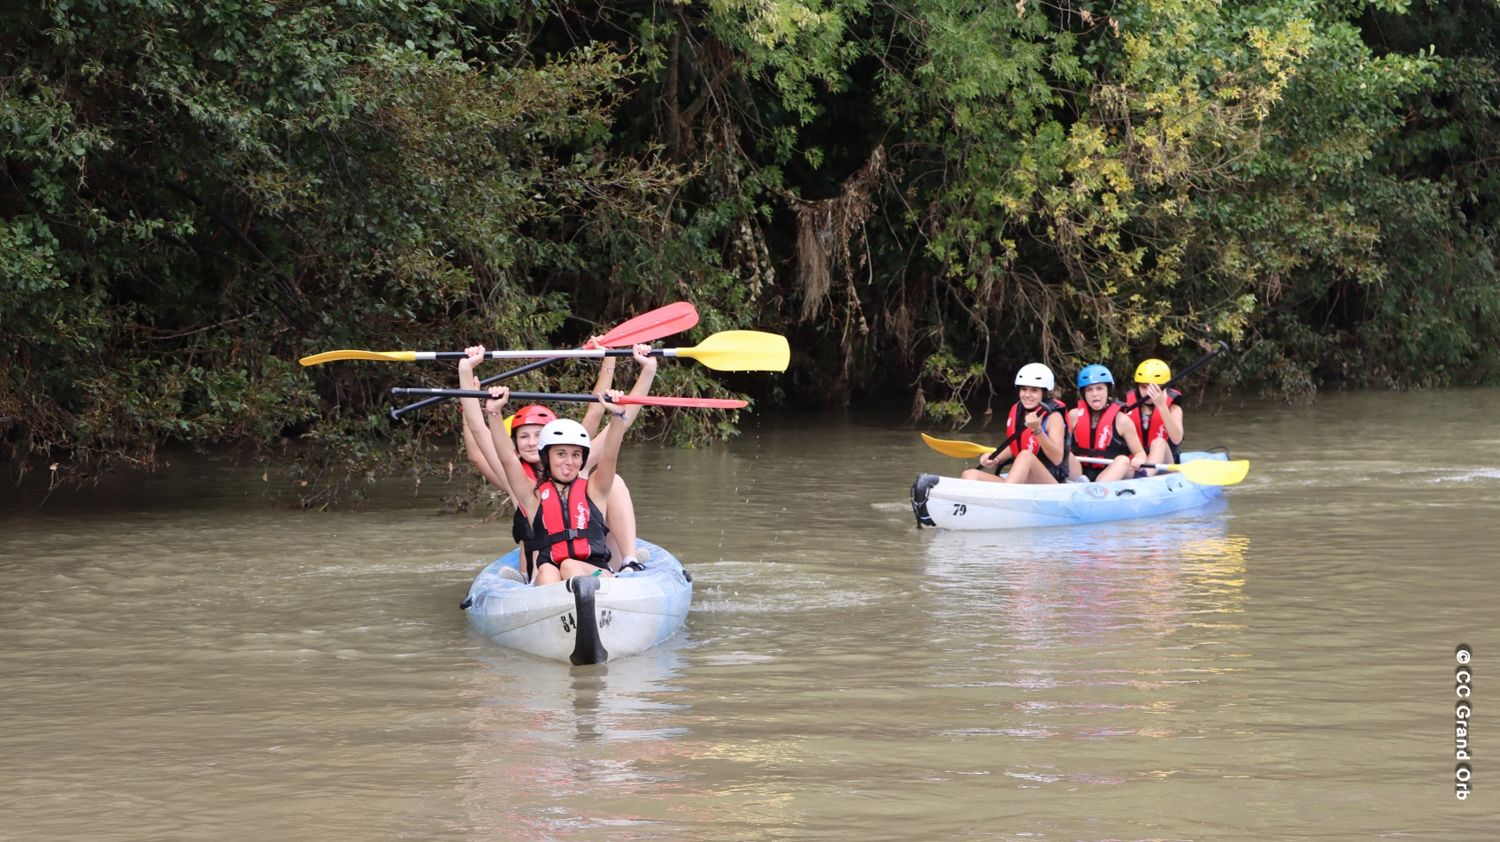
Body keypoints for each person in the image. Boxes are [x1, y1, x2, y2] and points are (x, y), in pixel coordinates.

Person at [458, 341, 655, 580]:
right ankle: (532, 586)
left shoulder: (590, 482)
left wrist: (627, 388)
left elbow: (611, 441)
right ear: (547, 454)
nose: (569, 461)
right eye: (560, 454)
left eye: (573, 455)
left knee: (571, 565)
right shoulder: (528, 491)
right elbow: (499, 450)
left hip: (590, 569)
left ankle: (629, 560)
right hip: (545, 569)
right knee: (551, 569)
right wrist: (482, 395)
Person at [960, 363, 1069, 485]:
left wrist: (1037, 430)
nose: (1027, 395)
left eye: (1034, 390)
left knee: (1025, 456)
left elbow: (1057, 458)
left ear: (1044, 393)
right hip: (1021, 481)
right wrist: (996, 458)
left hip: (1049, 483)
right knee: (969, 475)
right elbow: (1016, 445)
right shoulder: (1018, 410)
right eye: (1024, 389)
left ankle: (1005, 496)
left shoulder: (1054, 417)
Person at [1065, 364, 1147, 482]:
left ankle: (1097, 489)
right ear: (1084, 394)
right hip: (1081, 473)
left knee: (1123, 460)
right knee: (1064, 452)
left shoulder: (1122, 420)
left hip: (1110, 471)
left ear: (1108, 390)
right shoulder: (1074, 416)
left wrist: (1139, 459)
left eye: (1099, 388)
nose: (1094, 394)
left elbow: (1140, 453)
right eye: (1089, 389)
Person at [1120, 357, 1184, 474]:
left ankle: (1145, 475)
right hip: (1137, 462)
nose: (1148, 392)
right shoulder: (1128, 406)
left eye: (1153, 387)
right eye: (1143, 387)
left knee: (1158, 442)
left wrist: (1161, 406)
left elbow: (1176, 439)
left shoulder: (1174, 408)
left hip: (1166, 464)